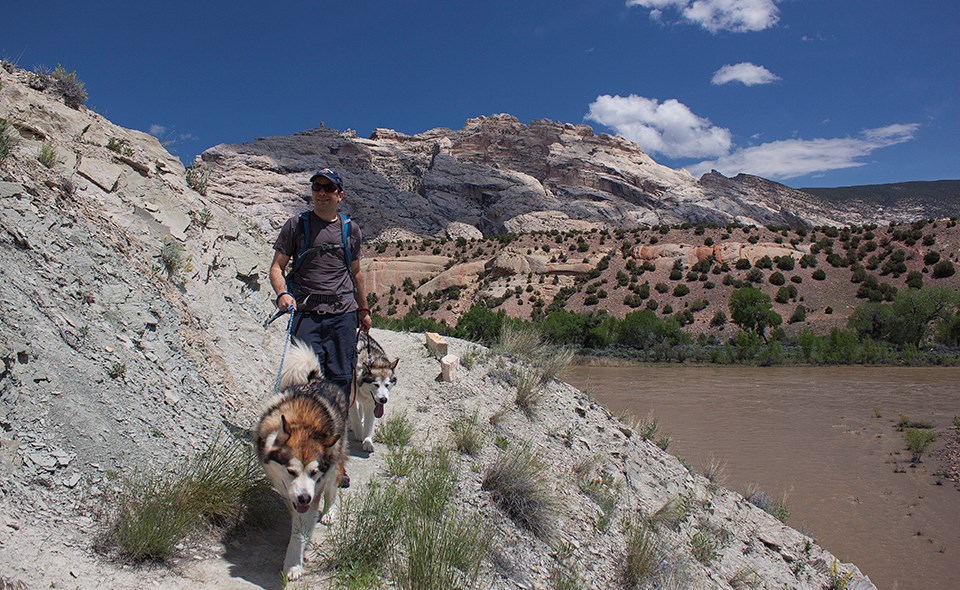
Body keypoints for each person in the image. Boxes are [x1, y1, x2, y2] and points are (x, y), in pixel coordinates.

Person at [269, 168, 371, 485]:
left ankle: (336, 462)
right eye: (317, 186)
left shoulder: (349, 230)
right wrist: (283, 293)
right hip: (307, 315)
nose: (322, 192)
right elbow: (276, 267)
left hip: (342, 316)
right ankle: (300, 454)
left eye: (329, 187)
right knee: (305, 387)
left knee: (339, 388)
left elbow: (356, 274)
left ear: (340, 195)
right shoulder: (296, 226)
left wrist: (364, 309)